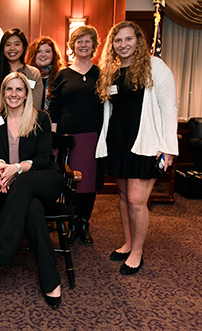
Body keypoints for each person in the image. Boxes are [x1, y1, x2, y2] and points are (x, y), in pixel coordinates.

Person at [0, 72, 63, 309]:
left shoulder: (40, 119)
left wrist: (15, 169)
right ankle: (51, 281)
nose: (14, 94)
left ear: (27, 94)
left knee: (25, 180)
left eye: (19, 89)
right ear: (2, 93)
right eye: (9, 89)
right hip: (6, 186)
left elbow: (44, 159)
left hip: (43, 179)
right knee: (33, 210)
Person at [95, 21, 178, 275]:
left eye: (128, 39)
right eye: (118, 41)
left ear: (138, 41)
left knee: (136, 201)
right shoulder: (110, 69)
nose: (123, 45)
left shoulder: (156, 67)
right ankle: (128, 242)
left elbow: (168, 108)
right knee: (123, 198)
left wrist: (168, 148)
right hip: (118, 143)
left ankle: (137, 251)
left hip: (146, 143)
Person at [49, 25, 103, 246]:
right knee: (70, 183)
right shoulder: (63, 75)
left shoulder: (100, 74)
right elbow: (54, 107)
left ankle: (83, 222)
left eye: (87, 41)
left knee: (89, 184)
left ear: (93, 46)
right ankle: (71, 222)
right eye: (79, 41)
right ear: (72, 46)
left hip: (92, 137)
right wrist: (53, 138)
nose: (83, 45)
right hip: (67, 139)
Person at [0, 28, 43, 115]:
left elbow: (35, 104)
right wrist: (8, 122)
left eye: (16, 44)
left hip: (27, 123)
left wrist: (21, 120)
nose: (12, 48)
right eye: (8, 45)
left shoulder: (34, 74)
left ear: (23, 47)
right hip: (1, 123)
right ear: (2, 48)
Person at [26, 36, 65, 112]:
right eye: (39, 51)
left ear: (54, 54)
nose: (43, 55)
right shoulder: (25, 75)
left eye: (47, 51)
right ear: (33, 54)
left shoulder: (61, 77)